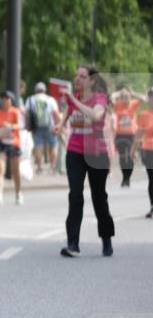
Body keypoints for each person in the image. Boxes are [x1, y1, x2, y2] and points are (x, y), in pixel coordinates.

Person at [59, 66, 114, 257]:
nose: (78, 78)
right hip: (74, 151)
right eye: (77, 75)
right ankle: (72, 243)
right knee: (75, 195)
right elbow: (68, 114)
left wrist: (73, 99)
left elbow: (96, 115)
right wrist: (60, 126)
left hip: (97, 153)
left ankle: (106, 238)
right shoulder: (72, 98)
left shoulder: (99, 99)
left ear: (91, 81)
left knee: (99, 197)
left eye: (83, 76)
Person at [0, 90, 24, 206]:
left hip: (14, 142)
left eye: (6, 99)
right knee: (0, 169)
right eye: (2, 99)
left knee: (15, 171)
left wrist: (11, 126)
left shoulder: (15, 112)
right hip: (1, 142)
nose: (4, 101)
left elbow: (20, 125)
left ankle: (18, 193)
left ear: (11, 101)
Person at [25, 81, 62, 175]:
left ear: (35, 90)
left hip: (36, 127)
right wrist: (59, 125)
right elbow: (56, 114)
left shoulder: (30, 99)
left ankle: (39, 168)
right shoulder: (50, 99)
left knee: (38, 146)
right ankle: (52, 168)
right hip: (50, 126)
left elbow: (26, 114)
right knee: (53, 145)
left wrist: (27, 126)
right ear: (44, 90)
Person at [111, 86, 144, 188]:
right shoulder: (117, 105)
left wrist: (133, 93)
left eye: (127, 96)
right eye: (124, 97)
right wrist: (119, 93)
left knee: (129, 156)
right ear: (121, 97)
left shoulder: (133, 104)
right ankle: (125, 178)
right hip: (120, 134)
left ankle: (127, 178)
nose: (126, 98)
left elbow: (144, 99)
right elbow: (111, 98)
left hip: (131, 135)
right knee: (122, 157)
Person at [132, 88, 153, 219]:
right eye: (151, 96)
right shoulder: (145, 114)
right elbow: (139, 134)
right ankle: (152, 206)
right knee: (152, 179)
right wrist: (133, 150)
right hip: (148, 150)